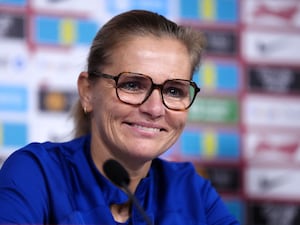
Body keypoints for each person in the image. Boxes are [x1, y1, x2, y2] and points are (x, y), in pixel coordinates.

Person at [0, 10, 240, 225]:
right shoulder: (36, 173)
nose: (155, 109)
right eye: (133, 85)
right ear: (87, 92)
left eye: (174, 90)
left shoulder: (192, 190)